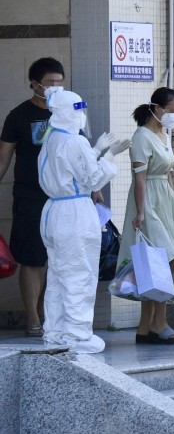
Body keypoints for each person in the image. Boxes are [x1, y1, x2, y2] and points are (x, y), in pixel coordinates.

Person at [0, 58, 93, 336]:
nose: (56, 88)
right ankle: (32, 318)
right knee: (31, 257)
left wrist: (95, 189)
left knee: (60, 258)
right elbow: (3, 159)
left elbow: (82, 157)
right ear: (34, 83)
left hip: (64, 199)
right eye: (50, 83)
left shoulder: (69, 113)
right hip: (30, 196)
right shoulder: (18, 116)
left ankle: (47, 313)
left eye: (59, 82)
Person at [37, 89, 129, 353]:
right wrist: (109, 155)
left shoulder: (51, 138)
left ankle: (55, 332)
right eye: (77, 110)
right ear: (68, 112)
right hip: (73, 213)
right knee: (79, 274)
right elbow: (93, 179)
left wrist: (96, 149)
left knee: (57, 275)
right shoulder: (73, 142)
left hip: (54, 212)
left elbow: (70, 168)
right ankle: (77, 335)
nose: (81, 116)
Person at [120, 88, 174, 344]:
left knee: (161, 260)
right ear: (157, 109)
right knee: (163, 260)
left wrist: (173, 202)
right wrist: (140, 212)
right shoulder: (141, 137)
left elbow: (167, 172)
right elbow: (139, 179)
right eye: (173, 111)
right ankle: (160, 322)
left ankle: (145, 326)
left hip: (165, 199)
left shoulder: (163, 135)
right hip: (147, 199)